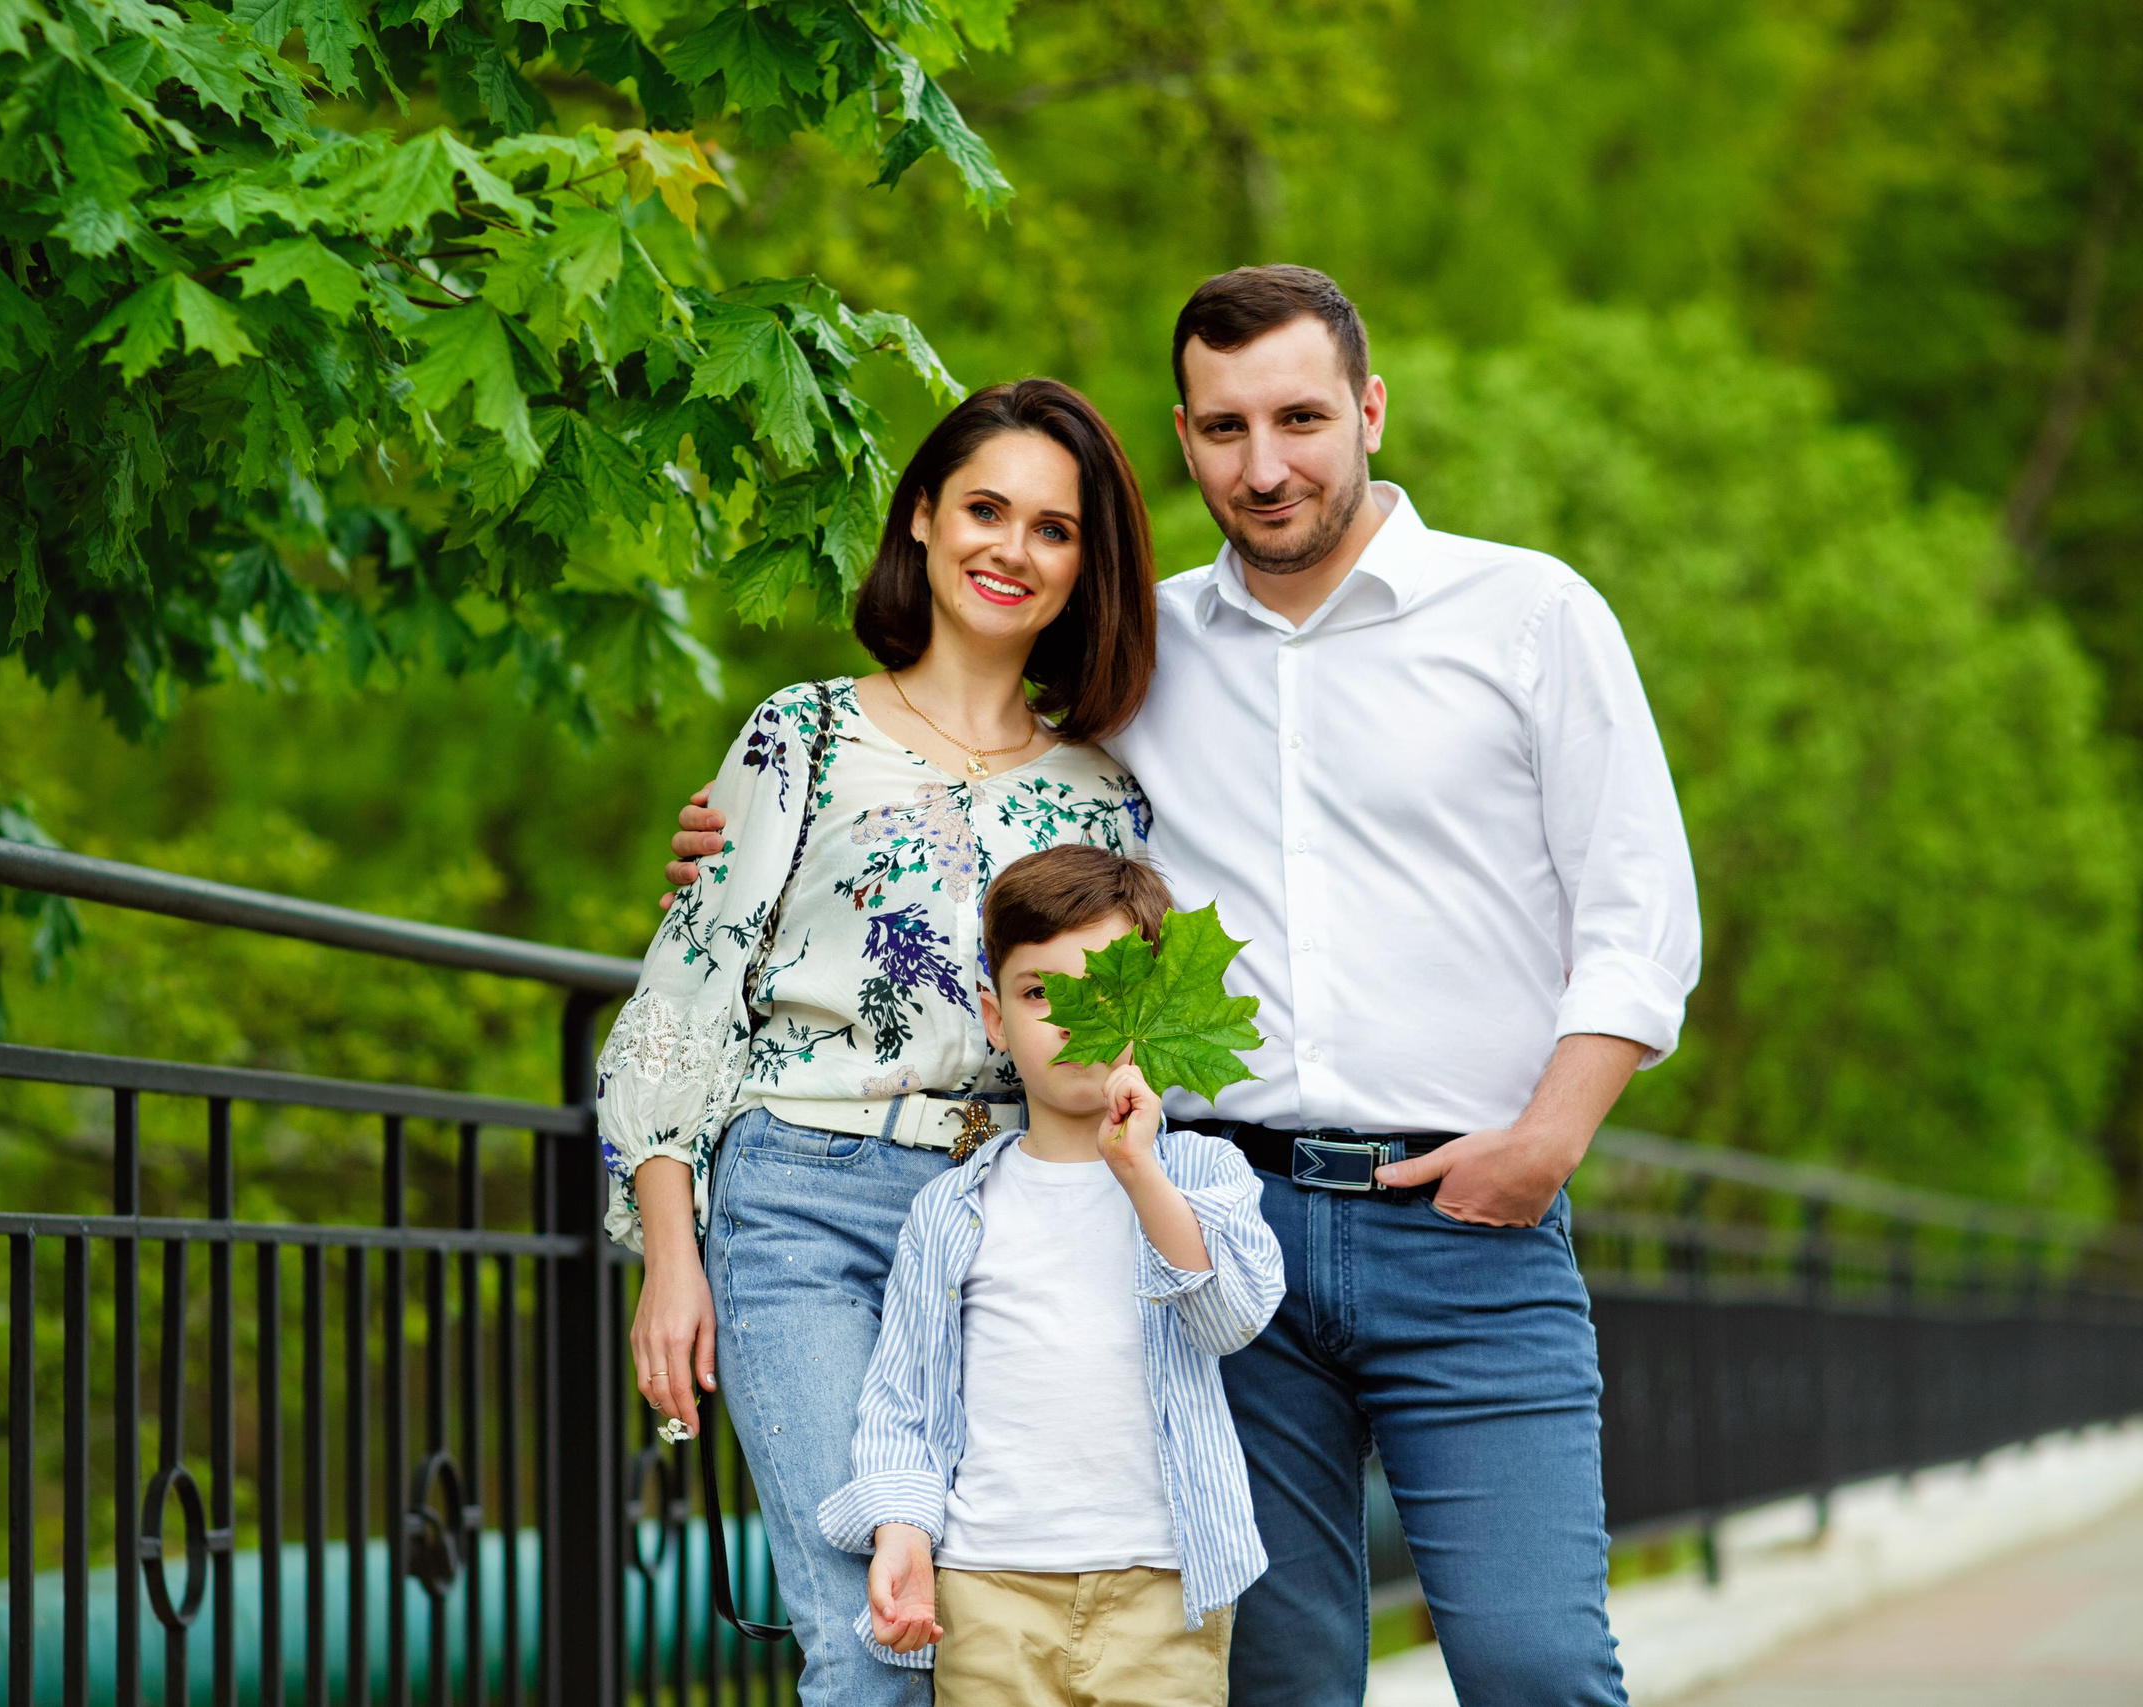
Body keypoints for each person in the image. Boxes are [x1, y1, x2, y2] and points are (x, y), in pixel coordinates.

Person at [665, 265, 1702, 1706]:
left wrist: (1552, 1139)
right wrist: (744, 832)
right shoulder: (1136, 658)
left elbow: (1640, 906)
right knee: (1274, 1676)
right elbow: (974, 791)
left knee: (1537, 1661)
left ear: (1371, 409)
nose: (1264, 466)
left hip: (1471, 1216)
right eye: (1224, 429)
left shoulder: (1527, 614)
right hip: (1216, 1229)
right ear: (1185, 433)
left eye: (1300, 418)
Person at [595, 376, 1162, 1706]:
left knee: (995, 1631)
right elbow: (681, 1004)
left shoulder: (1107, 795)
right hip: (804, 1207)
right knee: (869, 1632)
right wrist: (670, 1254)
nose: (1010, 549)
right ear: (920, 518)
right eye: (983, 508)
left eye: (1053, 528)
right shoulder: (803, 733)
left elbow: (1124, 1038)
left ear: (1086, 567)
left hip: (1011, 1227)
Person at [817, 845, 1283, 1707]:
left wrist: (1143, 1173)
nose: (1072, 1021)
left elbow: (1234, 1317)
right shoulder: (951, 1210)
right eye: (1040, 994)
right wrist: (902, 1535)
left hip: (1161, 1583)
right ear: (995, 1017)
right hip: (988, 1587)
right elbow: (904, 1404)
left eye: (1104, 994)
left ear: (1150, 1006)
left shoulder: (1202, 1175)